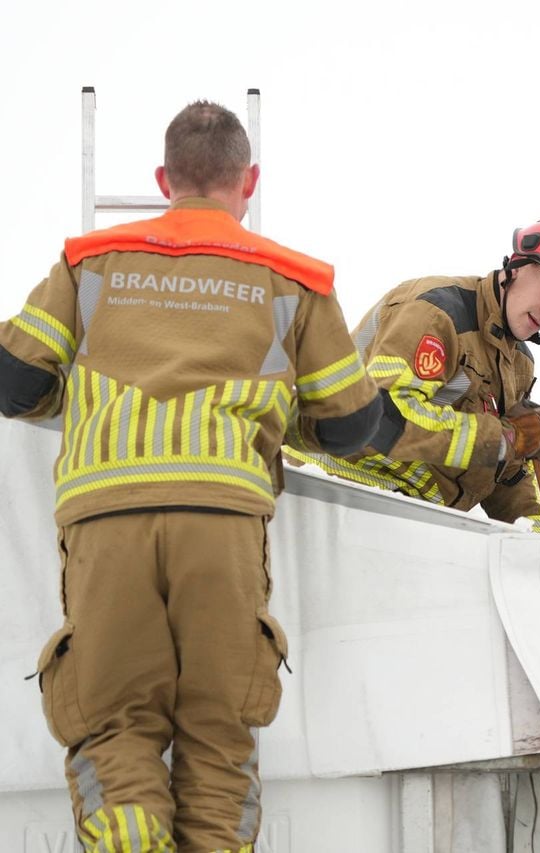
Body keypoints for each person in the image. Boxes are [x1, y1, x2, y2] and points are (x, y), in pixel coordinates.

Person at [0, 101, 381, 853]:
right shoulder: (293, 279)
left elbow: (15, 382)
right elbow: (350, 425)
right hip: (224, 520)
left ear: (162, 179)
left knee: (115, 725)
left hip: (104, 515)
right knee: (217, 730)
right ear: (250, 180)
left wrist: (67, 391)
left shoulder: (88, 262)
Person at [286, 219, 540, 535]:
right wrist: (502, 439)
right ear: (518, 264)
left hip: (403, 517)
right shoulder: (436, 312)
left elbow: (507, 475)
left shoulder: (519, 365)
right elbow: (387, 417)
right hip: (325, 493)